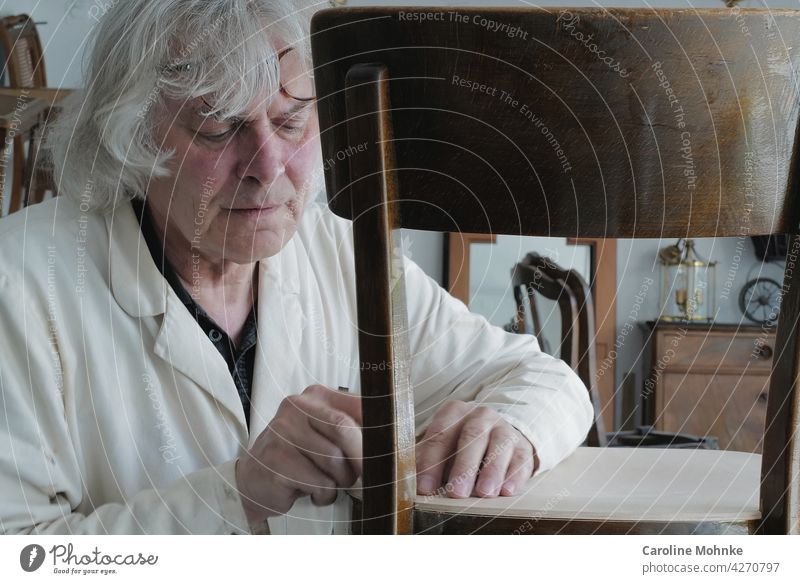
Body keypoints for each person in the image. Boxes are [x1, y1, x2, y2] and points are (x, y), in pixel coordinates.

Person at [0, 0, 592, 535]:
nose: (268, 163)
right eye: (219, 127)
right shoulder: (22, 284)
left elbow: (546, 381)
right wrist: (238, 494)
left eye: (292, 120)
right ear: (129, 134)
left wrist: (513, 432)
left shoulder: (337, 249)